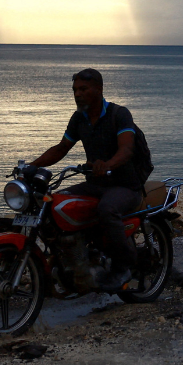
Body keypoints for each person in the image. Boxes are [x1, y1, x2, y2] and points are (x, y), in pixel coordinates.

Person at [28, 68, 143, 291]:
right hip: (95, 184)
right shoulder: (79, 118)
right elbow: (62, 148)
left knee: (107, 209)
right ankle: (70, 261)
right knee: (54, 203)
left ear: (99, 90)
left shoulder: (119, 114)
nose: (77, 94)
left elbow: (127, 149)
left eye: (83, 89)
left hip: (126, 185)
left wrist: (107, 165)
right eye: (74, 90)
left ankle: (124, 266)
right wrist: (32, 166)